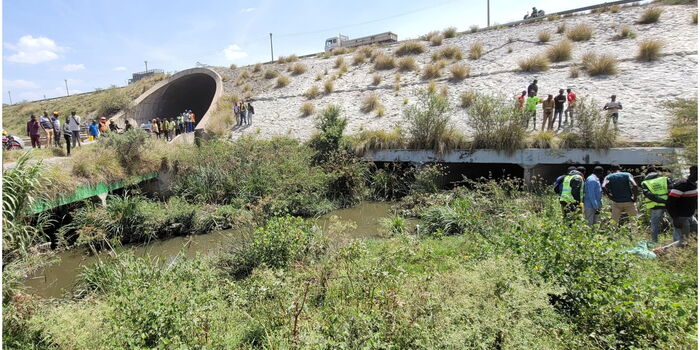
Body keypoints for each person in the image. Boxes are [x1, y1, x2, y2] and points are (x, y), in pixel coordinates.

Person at [664, 165, 697, 247]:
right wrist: (675, 218)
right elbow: (669, 203)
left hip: (691, 216)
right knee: (684, 242)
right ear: (692, 172)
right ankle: (660, 251)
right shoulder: (682, 185)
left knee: (695, 238)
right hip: (681, 218)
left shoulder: (693, 185)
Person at [641, 167, 672, 243]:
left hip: (655, 206)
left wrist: (661, 200)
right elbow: (671, 190)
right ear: (656, 172)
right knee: (676, 223)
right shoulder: (665, 179)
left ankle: (654, 242)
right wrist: (667, 201)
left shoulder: (645, 183)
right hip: (668, 205)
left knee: (655, 226)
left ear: (647, 174)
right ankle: (679, 241)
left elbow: (649, 195)